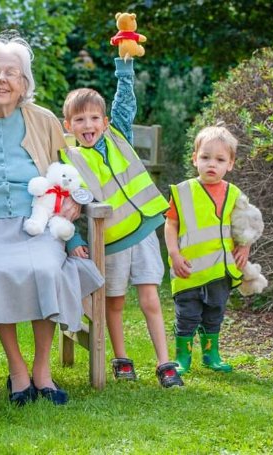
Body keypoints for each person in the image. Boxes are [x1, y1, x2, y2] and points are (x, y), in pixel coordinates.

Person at [0, 31, 104, 406]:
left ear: (24, 82)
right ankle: (17, 370)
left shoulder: (43, 119)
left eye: (11, 73)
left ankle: (42, 370)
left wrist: (75, 212)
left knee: (47, 268)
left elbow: (68, 173)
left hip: (37, 221)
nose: (1, 79)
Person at [60, 53, 184, 388]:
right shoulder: (68, 159)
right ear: (68, 126)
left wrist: (124, 68)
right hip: (110, 241)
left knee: (150, 298)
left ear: (104, 120)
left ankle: (165, 362)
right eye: (80, 120)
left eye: (94, 118)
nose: (89, 126)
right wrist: (73, 240)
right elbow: (62, 204)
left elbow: (125, 101)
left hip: (143, 231)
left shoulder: (119, 136)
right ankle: (121, 359)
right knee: (113, 302)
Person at [164, 125, 248, 375]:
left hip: (220, 270)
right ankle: (183, 358)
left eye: (220, 159)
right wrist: (174, 254)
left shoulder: (234, 194)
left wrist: (245, 246)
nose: (212, 164)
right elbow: (171, 224)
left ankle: (212, 355)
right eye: (205, 157)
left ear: (230, 164)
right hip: (188, 269)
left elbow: (246, 224)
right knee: (187, 315)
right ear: (195, 159)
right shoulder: (182, 192)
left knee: (214, 314)